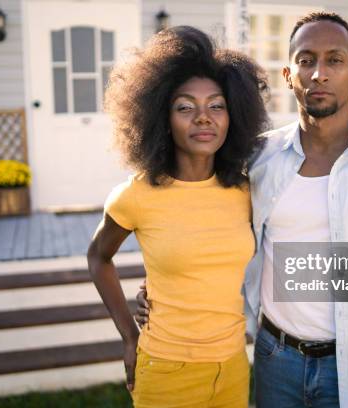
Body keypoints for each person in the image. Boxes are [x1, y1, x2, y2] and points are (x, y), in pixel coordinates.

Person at [136, 11, 348, 408]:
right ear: (289, 75)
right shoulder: (258, 157)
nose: (319, 73)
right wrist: (165, 282)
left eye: (334, 60)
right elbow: (206, 214)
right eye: (306, 60)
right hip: (276, 359)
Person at [86, 26, 269, 408]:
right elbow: (98, 257)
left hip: (233, 366)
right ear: (161, 118)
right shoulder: (136, 196)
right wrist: (127, 335)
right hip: (166, 371)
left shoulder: (246, 191)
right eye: (186, 107)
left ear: (233, 114)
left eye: (216, 105)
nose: (203, 118)